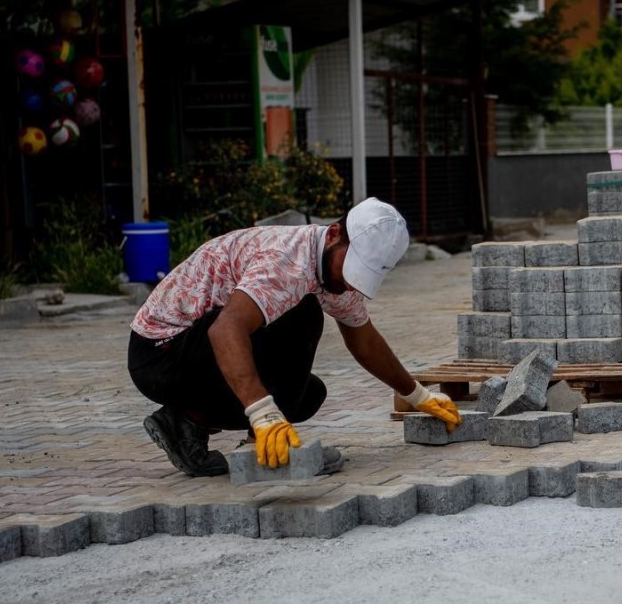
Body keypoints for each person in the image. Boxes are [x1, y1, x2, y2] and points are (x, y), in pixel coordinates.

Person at [127, 197, 461, 477]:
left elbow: (365, 340)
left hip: (195, 357)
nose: (349, 282)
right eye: (350, 268)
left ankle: (183, 424)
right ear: (333, 235)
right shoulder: (287, 262)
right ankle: (261, 444)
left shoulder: (333, 271)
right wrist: (263, 415)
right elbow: (225, 330)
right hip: (160, 353)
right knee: (302, 314)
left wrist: (416, 394)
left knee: (306, 394)